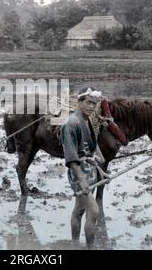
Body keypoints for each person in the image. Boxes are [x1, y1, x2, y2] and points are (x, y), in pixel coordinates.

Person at [60, 88, 105, 248]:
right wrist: (82, 181)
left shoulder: (87, 120)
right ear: (79, 102)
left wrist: (101, 167)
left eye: (94, 103)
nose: (91, 107)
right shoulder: (71, 123)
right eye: (88, 103)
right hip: (78, 172)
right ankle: (89, 248)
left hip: (90, 169)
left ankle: (74, 244)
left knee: (79, 209)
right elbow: (71, 158)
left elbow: (93, 146)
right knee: (93, 211)